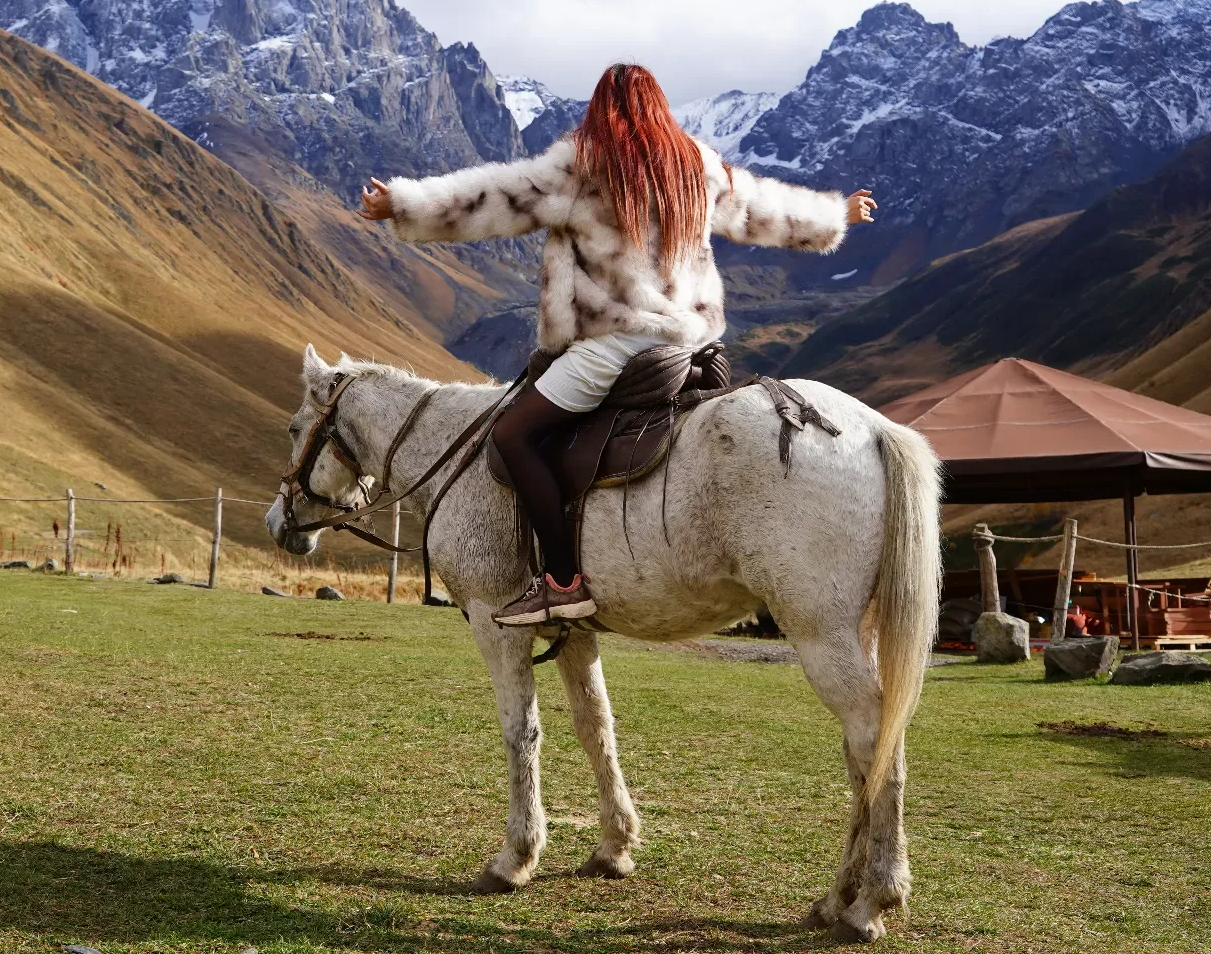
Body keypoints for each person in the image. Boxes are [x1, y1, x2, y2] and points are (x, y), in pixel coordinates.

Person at [359, 62, 874, 626]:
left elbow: (493, 198)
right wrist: (834, 217)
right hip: (692, 344)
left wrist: (403, 205)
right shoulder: (694, 165)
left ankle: (561, 580)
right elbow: (759, 211)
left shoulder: (583, 165)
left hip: (612, 343)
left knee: (512, 433)